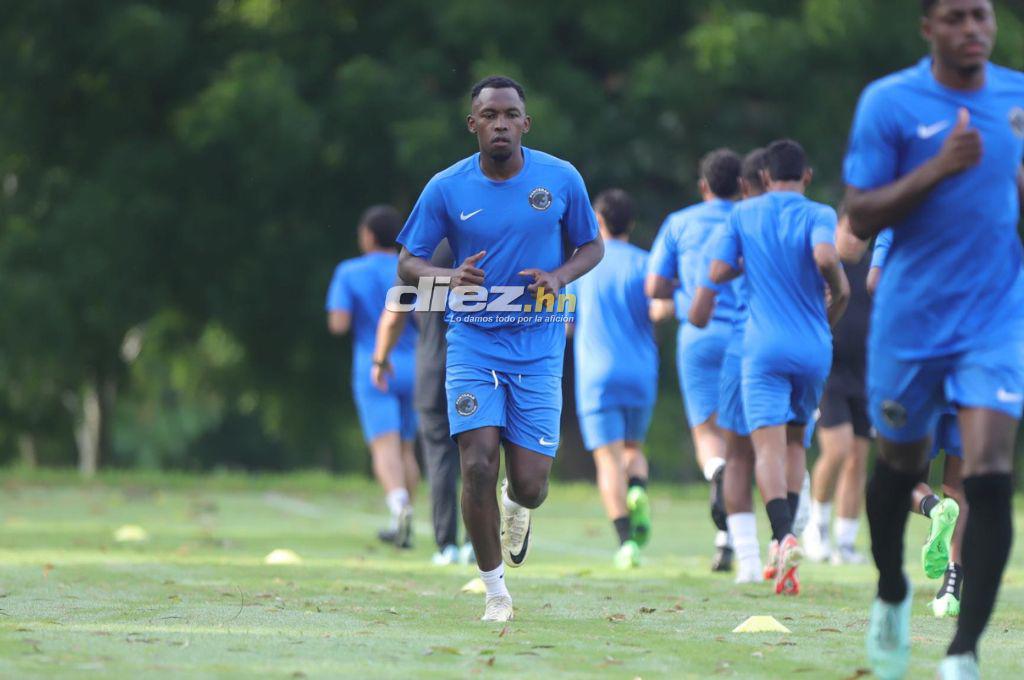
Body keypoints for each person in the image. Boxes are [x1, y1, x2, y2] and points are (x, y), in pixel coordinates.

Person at [843, 1, 1024, 676]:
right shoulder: (889, 102)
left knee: (991, 469)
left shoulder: (1016, 97)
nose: (972, 29)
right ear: (928, 28)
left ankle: (964, 651)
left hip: (995, 315)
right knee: (898, 465)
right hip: (911, 317)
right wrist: (937, 168)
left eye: (982, 15)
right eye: (955, 18)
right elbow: (859, 213)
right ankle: (892, 591)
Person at [395, 76, 603, 622]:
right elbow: (407, 265)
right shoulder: (446, 187)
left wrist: (560, 275)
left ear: (525, 123)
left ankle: (517, 506)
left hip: (538, 345)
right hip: (473, 343)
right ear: (473, 125)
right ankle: (495, 592)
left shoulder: (561, 178)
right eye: (490, 115)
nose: (501, 123)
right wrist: (447, 274)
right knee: (478, 465)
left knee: (531, 485)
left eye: (511, 114)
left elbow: (592, 245)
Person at [706, 139, 850, 596]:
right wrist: (839, 292)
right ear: (806, 176)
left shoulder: (743, 215)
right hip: (813, 346)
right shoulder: (819, 212)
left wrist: (752, 261)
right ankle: (785, 542)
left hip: (762, 348)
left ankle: (781, 534)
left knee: (763, 446)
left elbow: (715, 272)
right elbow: (827, 257)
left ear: (764, 178)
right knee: (794, 442)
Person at [646, 149, 743, 571]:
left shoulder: (679, 222)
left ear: (703, 185)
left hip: (697, 335)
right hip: (743, 334)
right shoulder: (748, 219)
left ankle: (716, 472)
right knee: (743, 436)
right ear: (743, 185)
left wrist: (680, 288)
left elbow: (654, 286)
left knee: (707, 430)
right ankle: (731, 538)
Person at [568, 188, 668, 569]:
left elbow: (567, 325)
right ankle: (639, 490)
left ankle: (626, 542)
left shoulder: (584, 266)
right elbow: (660, 308)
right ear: (632, 223)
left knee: (608, 461)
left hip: (598, 376)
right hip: (640, 371)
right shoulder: (646, 264)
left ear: (598, 221)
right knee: (633, 449)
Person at [870, 229, 966, 619]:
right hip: (963, 366)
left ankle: (931, 508)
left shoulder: (896, 222)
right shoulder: (972, 219)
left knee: (900, 475)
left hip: (914, 365)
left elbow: (875, 281)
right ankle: (952, 585)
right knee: (960, 485)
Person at [371, 239, 474, 566]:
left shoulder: (421, 253)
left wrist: (380, 360)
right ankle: (476, 541)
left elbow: (393, 316)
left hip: (434, 366)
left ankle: (447, 545)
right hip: (479, 367)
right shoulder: (484, 239)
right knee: (478, 455)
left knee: (440, 458)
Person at [689, 147, 765, 584]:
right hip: (782, 339)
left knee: (723, 445)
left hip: (720, 342)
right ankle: (789, 535)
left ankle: (716, 475)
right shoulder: (796, 219)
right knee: (778, 445)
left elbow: (680, 295)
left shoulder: (696, 223)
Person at [326, 205, 420, 547]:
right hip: (415, 365)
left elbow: (338, 323)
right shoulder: (411, 269)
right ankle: (406, 519)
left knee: (384, 446)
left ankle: (399, 506)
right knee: (408, 448)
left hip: (374, 366)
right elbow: (424, 317)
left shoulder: (349, 272)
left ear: (367, 236)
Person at [803, 209, 873, 566]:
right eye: (852, 231)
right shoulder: (823, 264)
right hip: (830, 371)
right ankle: (817, 527)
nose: (857, 240)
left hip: (866, 374)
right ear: (838, 228)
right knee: (838, 449)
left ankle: (845, 541)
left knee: (859, 457)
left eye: (864, 234)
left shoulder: (876, 268)